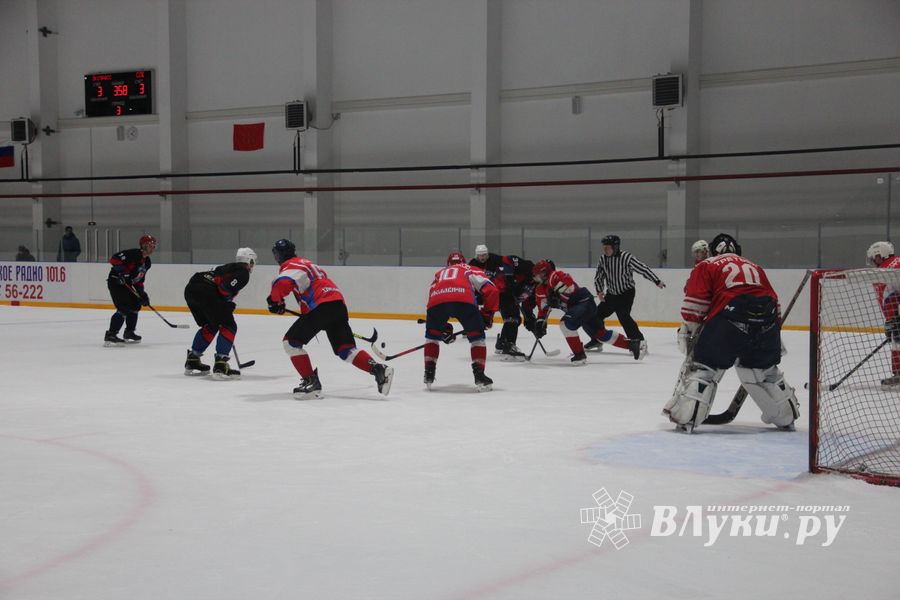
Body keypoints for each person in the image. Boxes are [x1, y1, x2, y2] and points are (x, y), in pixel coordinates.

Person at [663, 233, 799, 432]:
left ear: (712, 250)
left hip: (728, 320)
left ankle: (687, 416)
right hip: (766, 324)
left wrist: (690, 334)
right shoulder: (755, 267)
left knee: (704, 368)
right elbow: (774, 303)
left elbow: (695, 306)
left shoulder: (707, 265)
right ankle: (786, 415)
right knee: (764, 371)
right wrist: (771, 333)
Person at [267, 238, 393, 399]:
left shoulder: (291, 265)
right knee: (346, 350)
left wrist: (275, 301)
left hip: (321, 307)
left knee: (291, 343)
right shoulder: (308, 264)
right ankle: (379, 370)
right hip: (338, 306)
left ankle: (311, 383)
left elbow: (283, 282)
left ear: (278, 255)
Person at [532, 258, 642, 364]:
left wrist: (555, 293)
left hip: (583, 302)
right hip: (579, 309)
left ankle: (579, 355)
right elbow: (543, 309)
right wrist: (540, 323)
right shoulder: (540, 290)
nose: (536, 278)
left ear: (544, 273)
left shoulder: (554, 276)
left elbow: (568, 282)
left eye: (538, 275)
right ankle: (632, 344)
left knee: (565, 324)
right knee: (600, 334)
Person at [425, 251, 499, 391]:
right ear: (463, 262)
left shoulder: (440, 273)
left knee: (431, 338)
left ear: (448, 264)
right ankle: (479, 375)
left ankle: (428, 373)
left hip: (437, 303)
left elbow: (432, 300)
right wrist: (487, 315)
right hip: (463, 300)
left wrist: (442, 329)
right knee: (477, 338)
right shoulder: (469, 268)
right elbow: (492, 291)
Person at [183, 248, 257, 379]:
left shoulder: (228, 267)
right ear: (249, 260)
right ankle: (221, 364)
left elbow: (218, 282)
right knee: (229, 326)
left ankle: (193, 359)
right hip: (206, 292)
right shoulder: (243, 272)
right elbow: (224, 288)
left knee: (211, 325)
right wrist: (226, 303)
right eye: (252, 262)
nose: (252, 265)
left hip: (191, 289)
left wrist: (224, 303)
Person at [586, 235, 664, 354]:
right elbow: (599, 277)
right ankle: (597, 339)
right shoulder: (603, 259)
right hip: (611, 295)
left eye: (607, 248)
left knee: (623, 316)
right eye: (604, 248)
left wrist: (656, 280)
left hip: (626, 293)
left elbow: (643, 269)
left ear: (615, 247)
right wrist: (599, 291)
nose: (605, 250)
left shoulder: (627, 257)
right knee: (596, 316)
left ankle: (639, 342)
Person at [469, 244, 534, 360]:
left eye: (484, 255)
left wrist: (510, 286)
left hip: (500, 294)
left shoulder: (496, 260)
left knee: (513, 318)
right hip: (491, 294)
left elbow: (505, 273)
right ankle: (508, 346)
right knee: (513, 317)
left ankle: (504, 343)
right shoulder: (472, 265)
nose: (482, 258)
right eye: (480, 256)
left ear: (488, 254)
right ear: (476, 256)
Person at [104, 235, 157, 346]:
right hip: (117, 283)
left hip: (127, 284)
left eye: (154, 245)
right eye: (150, 244)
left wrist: (142, 294)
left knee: (135, 305)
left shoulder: (147, 262)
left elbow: (139, 280)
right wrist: (124, 272)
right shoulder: (133, 254)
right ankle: (111, 334)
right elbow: (114, 259)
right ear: (143, 245)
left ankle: (129, 332)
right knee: (123, 307)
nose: (153, 247)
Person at [866, 241, 900, 388]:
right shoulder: (893, 265)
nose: (875, 261)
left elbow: (891, 295)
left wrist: (893, 318)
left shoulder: (887, 269)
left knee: (897, 341)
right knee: (896, 340)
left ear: (883, 254)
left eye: (876, 257)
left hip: (896, 312)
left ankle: (898, 375)